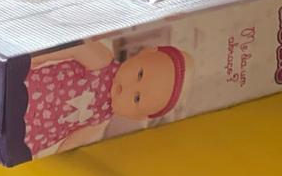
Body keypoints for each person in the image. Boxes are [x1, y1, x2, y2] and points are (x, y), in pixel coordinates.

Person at [23, 42, 192, 156]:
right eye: (139, 74)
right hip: (27, 90)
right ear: (145, 52)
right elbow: (75, 48)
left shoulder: (100, 120)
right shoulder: (102, 62)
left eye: (137, 98)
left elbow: (70, 144)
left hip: (30, 136)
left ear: (137, 117)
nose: (127, 87)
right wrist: (34, 60)